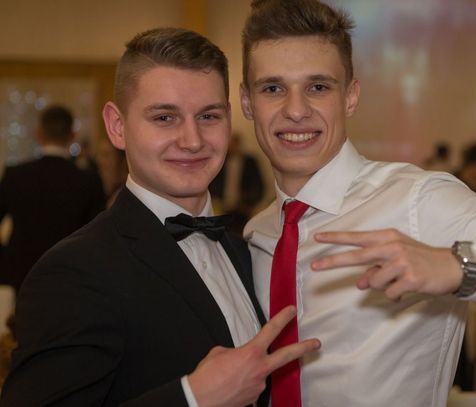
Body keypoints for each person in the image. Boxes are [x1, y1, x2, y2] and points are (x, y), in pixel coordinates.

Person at [240, 1, 476, 406]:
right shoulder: (258, 233)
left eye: (318, 87)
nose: (295, 110)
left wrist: (458, 267)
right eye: (273, 88)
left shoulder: (418, 200)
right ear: (247, 102)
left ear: (350, 96)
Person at [0, 27, 319, 406]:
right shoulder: (71, 272)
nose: (192, 141)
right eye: (165, 117)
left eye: (209, 116)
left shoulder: (246, 251)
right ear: (117, 127)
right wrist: (193, 397)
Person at [0, 105, 106, 291]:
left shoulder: (15, 175)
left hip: (21, 274)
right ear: (72, 135)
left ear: (39, 134)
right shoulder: (88, 180)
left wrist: (6, 258)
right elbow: (99, 234)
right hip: (72, 274)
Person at [209, 132, 265, 235]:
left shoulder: (250, 161)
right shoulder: (220, 161)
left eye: (233, 143)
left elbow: (258, 184)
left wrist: (250, 202)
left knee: (241, 235)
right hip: (222, 207)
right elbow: (213, 181)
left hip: (243, 208)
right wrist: (216, 198)